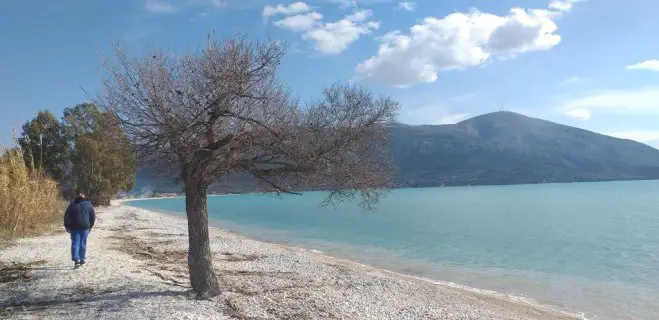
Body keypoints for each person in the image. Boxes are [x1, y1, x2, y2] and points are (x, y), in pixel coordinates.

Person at [63, 191, 96, 269]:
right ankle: (82, 260)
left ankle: (76, 261)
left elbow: (66, 216)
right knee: (83, 243)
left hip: (74, 226)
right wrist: (90, 226)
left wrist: (66, 226)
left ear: (77, 196)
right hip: (85, 227)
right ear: (84, 197)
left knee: (75, 243)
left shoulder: (72, 205)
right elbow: (93, 217)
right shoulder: (89, 204)